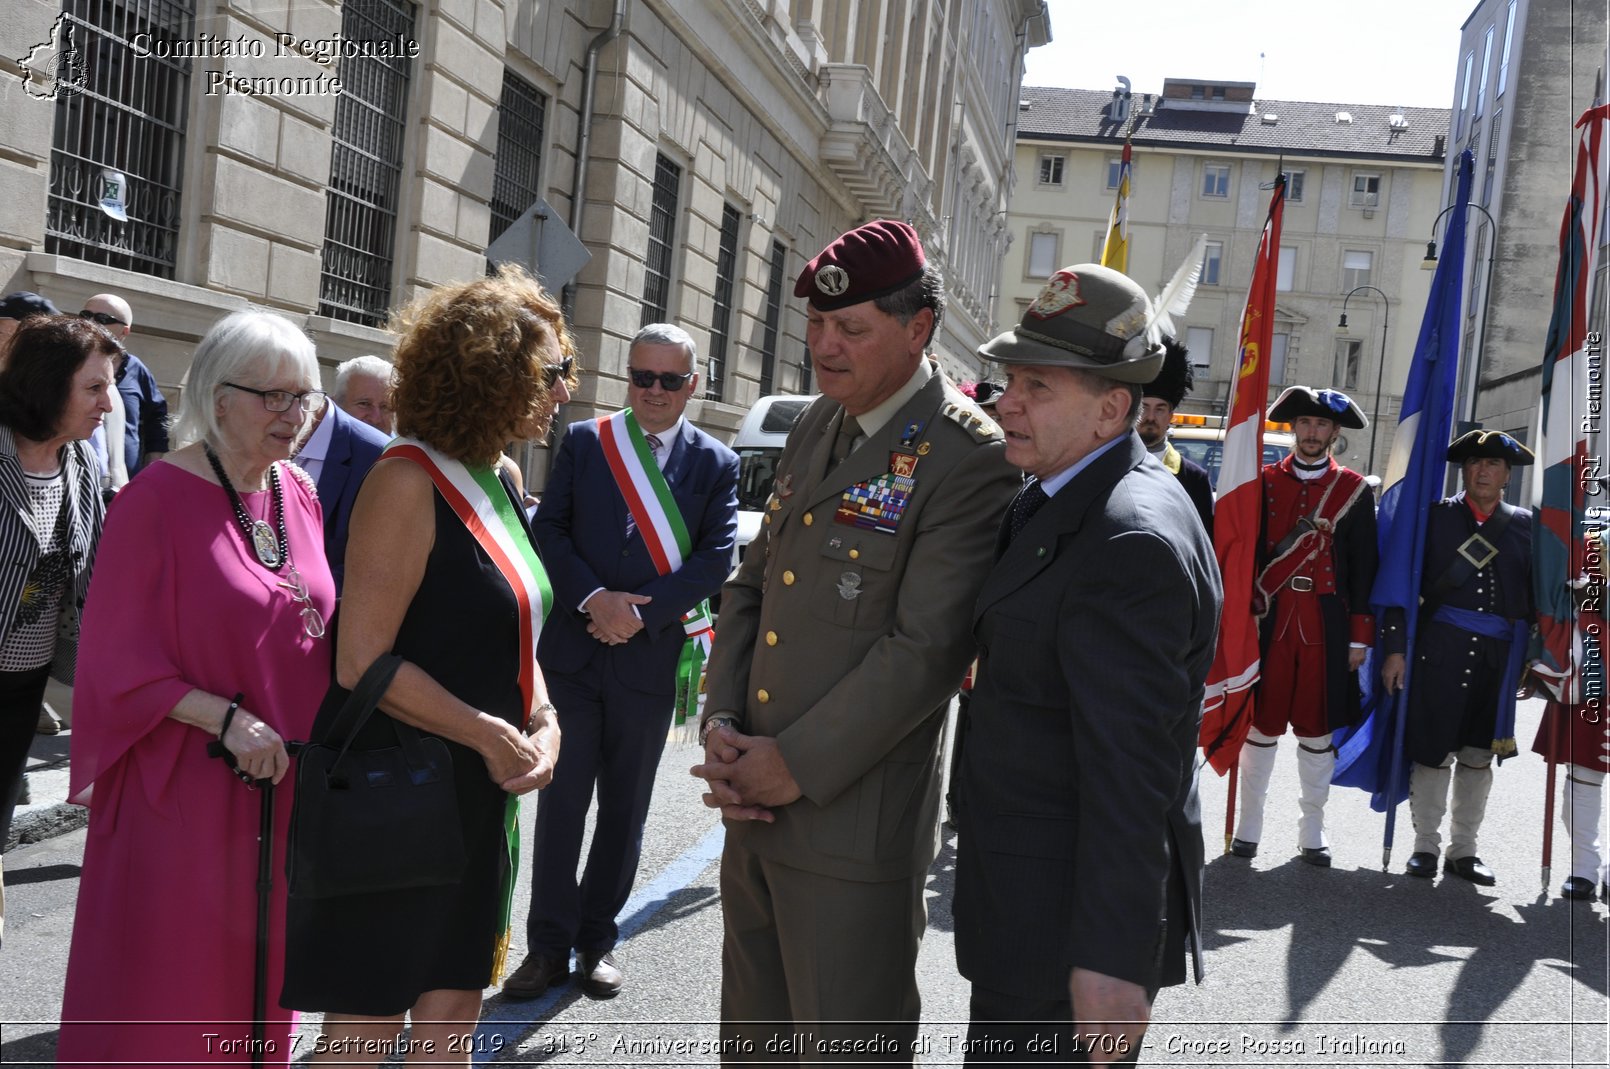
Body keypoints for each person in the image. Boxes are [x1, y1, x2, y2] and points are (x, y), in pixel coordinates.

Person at [691, 219, 1020, 1061]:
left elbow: (926, 650)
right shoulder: (818, 423)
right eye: (816, 325)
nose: (824, 347)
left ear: (919, 329)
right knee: (752, 1046)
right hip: (753, 804)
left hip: (850, 828)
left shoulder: (965, 457)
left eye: (851, 329)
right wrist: (723, 720)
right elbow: (754, 581)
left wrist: (788, 762)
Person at [283, 266, 567, 1064]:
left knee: (452, 1017)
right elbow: (360, 659)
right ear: (490, 376)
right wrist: (488, 732)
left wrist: (541, 717)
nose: (564, 390)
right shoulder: (405, 480)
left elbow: (515, 626)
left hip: (479, 788)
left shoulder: (501, 479)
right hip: (397, 791)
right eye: (551, 372)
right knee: (365, 1030)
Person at [956, 262, 1221, 1061]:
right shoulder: (1067, 491)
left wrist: (1110, 959)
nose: (1006, 401)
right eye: (1010, 379)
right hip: (1034, 909)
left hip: (1064, 932)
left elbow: (1131, 774)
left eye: (1036, 385)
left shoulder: (1125, 537)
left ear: (1111, 409)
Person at [58, 310, 333, 1064]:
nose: (293, 414)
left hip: (280, 793)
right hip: (180, 788)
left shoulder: (299, 491)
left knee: (257, 994)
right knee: (171, 994)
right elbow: (114, 661)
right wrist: (227, 720)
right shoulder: (152, 500)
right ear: (217, 398)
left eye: (304, 397)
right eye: (272, 396)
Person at [505, 323, 738, 1000]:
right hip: (575, 657)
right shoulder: (585, 441)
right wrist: (595, 600)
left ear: (692, 385)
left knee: (624, 810)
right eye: (643, 377)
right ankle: (546, 946)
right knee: (562, 804)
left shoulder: (714, 463)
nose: (655, 392)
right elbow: (547, 527)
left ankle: (595, 941)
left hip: (649, 660)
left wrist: (636, 613)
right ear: (627, 377)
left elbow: (715, 559)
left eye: (670, 380)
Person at [1231, 385, 1377, 867]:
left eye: (1322, 426)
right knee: (1262, 724)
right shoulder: (1264, 480)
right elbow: (1243, 552)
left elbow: (1364, 568)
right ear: (1293, 428)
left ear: (1335, 433)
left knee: (1317, 731)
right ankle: (1247, 828)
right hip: (1268, 619)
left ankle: (1312, 831)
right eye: (1306, 424)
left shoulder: (1353, 490)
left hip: (1325, 621)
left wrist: (1360, 636)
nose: (1313, 433)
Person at [1382, 429, 1534, 886]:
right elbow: (1399, 587)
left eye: (1492, 465)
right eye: (1473, 463)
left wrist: (1532, 659)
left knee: (1477, 756)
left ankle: (1463, 850)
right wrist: (1394, 649)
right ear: (1463, 470)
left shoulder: (1527, 526)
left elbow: (1536, 601)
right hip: (1438, 652)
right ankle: (1425, 846)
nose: (1482, 471)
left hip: (1497, 659)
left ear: (1507, 475)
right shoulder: (1433, 519)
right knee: (1432, 752)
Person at [0, 316, 114, 851]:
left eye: (109, 387)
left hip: (29, 684)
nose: (108, 405)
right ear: (48, 383)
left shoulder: (82, 461)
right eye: (94, 388)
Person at [1532, 527, 1609, 900]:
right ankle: (1584, 868)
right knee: (1584, 772)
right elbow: (1581, 604)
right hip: (1598, 670)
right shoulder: (1593, 544)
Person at [293, 389, 390, 594]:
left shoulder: (382, 460)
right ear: (339, 402)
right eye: (364, 403)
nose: (376, 417)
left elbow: (373, 569)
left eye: (386, 407)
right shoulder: (249, 441)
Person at [80, 292, 170, 476]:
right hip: (78, 477)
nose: (91, 323)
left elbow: (158, 419)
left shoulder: (137, 370)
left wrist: (153, 465)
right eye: (86, 315)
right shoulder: (68, 364)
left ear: (124, 331)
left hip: (123, 483)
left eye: (102, 318)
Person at [1137, 337, 1213, 537]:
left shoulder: (1194, 479)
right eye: (1144, 408)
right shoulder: (1108, 465)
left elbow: (1201, 542)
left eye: (1160, 409)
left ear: (1171, 416)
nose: (1151, 417)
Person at [334, 353, 397, 435]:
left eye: (385, 407)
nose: (376, 419)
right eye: (364, 404)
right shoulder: (319, 445)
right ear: (338, 405)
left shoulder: (406, 447)